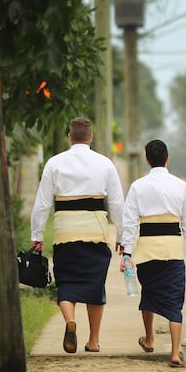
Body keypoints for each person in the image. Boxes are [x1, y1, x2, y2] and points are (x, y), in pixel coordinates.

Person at [30, 117, 124, 354]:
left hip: (65, 234)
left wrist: (37, 234)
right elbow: (117, 205)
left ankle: (70, 321)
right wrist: (123, 237)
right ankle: (93, 341)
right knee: (95, 287)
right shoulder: (105, 164)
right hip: (96, 234)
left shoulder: (55, 163)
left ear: (70, 137)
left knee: (66, 284)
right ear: (90, 138)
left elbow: (42, 204)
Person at [120, 139, 186, 368]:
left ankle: (150, 338)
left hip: (146, 253)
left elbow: (130, 223)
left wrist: (127, 253)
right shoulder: (181, 186)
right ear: (167, 158)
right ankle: (175, 352)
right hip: (173, 251)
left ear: (147, 160)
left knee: (149, 294)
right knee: (175, 304)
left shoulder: (138, 187)